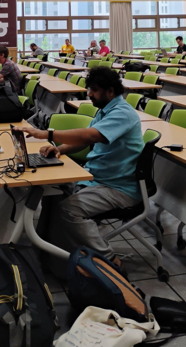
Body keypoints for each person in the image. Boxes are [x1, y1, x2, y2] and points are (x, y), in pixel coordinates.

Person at [15, 67, 144, 273]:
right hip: (97, 178)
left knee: (69, 209)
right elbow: (83, 140)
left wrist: (46, 134)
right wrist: (58, 149)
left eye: (93, 90)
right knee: (54, 192)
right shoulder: (105, 110)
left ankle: (110, 261)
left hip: (118, 187)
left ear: (110, 91)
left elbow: (90, 136)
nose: (89, 94)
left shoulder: (123, 114)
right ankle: (52, 256)